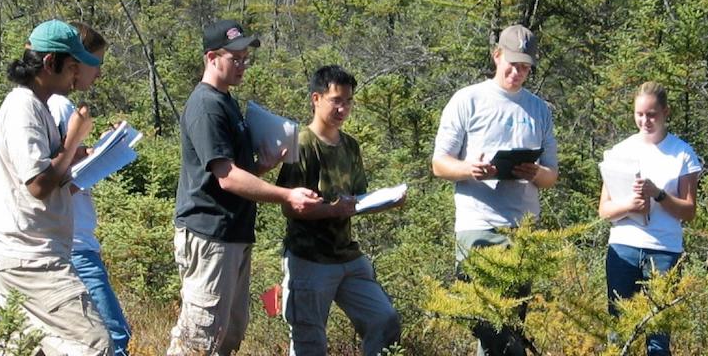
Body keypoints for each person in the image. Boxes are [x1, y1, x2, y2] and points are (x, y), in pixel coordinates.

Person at [168, 19, 323, 355]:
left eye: (245, 58)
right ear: (211, 58)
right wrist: (286, 194)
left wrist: (265, 165)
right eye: (234, 58)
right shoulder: (206, 106)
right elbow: (225, 176)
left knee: (228, 334)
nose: (241, 65)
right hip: (210, 234)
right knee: (200, 337)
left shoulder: (226, 101)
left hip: (233, 233)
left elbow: (230, 171)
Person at [0, 20, 111, 355]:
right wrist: (73, 139)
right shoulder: (23, 106)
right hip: (31, 258)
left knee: (26, 348)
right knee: (94, 344)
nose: (75, 74)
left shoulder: (34, 105)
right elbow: (38, 184)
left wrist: (74, 153)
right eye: (71, 66)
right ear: (50, 63)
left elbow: (46, 174)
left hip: (22, 252)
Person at [430, 24, 558, 356]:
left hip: (523, 229)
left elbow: (551, 176)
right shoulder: (468, 99)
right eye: (512, 64)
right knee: (490, 326)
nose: (518, 72)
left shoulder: (538, 109)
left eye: (525, 67)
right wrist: (469, 169)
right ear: (496, 56)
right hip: (478, 226)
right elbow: (439, 163)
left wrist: (533, 172)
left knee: (512, 326)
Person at [275, 65, 403, 356]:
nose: (343, 108)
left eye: (348, 101)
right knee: (310, 343)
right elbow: (290, 206)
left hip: (348, 255)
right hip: (309, 259)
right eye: (336, 100)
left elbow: (356, 199)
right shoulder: (302, 144)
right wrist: (332, 210)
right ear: (316, 98)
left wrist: (386, 201)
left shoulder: (350, 146)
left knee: (384, 320)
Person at [46, 22, 133, 356]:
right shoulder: (60, 106)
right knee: (114, 336)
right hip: (74, 242)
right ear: (75, 63)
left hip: (73, 239)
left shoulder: (51, 105)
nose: (99, 72)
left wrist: (98, 150)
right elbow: (57, 177)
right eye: (95, 63)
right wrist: (101, 156)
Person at [596, 81, 702, 356]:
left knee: (658, 335)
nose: (645, 120)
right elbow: (605, 210)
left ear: (666, 112)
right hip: (623, 247)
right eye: (639, 114)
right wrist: (630, 205)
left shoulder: (682, 154)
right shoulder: (620, 151)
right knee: (619, 330)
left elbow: (689, 211)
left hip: (664, 251)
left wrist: (659, 195)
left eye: (652, 114)